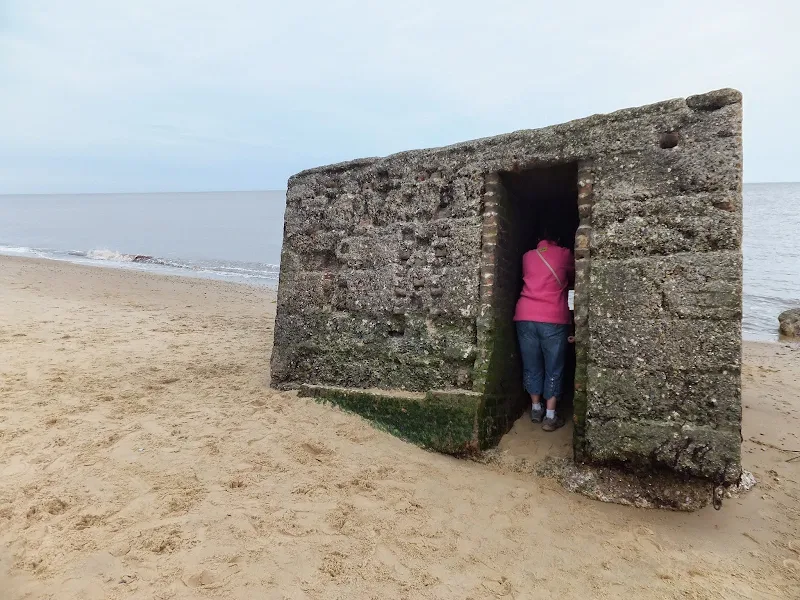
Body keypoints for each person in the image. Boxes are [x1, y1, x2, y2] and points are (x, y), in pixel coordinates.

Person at [514, 226, 575, 431]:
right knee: (554, 366)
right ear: (557, 238)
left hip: (525, 315)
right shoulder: (564, 254)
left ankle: (535, 408)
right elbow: (574, 275)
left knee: (531, 363)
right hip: (553, 317)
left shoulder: (527, 257)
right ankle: (550, 416)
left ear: (538, 238)